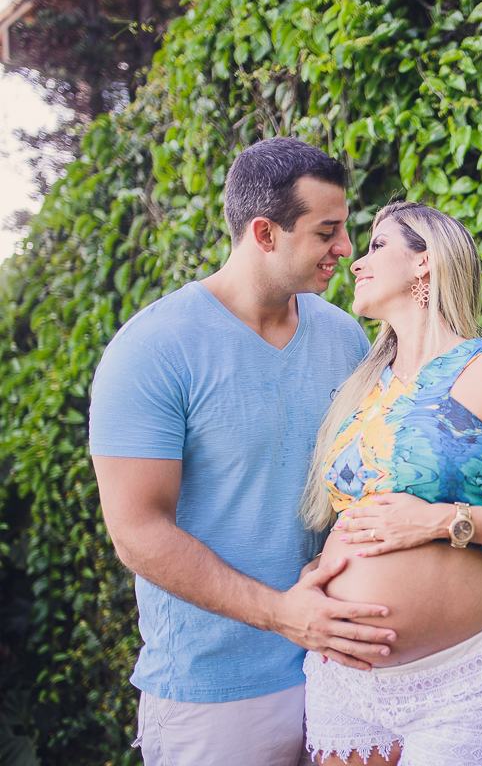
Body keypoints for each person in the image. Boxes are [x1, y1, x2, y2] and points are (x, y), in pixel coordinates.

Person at [90, 139, 404, 765]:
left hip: (341, 671)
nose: (346, 250)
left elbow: (385, 472)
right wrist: (284, 615)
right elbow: (136, 531)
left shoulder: (342, 335)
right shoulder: (152, 349)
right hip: (216, 696)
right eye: (327, 232)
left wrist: (463, 548)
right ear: (264, 233)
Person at [297, 201, 482, 766]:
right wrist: (326, 567)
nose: (356, 261)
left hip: (464, 675)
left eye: (379, 245)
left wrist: (444, 522)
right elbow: (353, 512)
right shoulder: (360, 385)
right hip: (345, 676)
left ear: (425, 262)